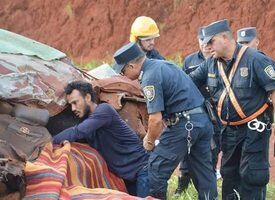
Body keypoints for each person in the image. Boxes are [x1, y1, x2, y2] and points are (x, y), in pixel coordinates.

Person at [190, 19, 275, 199]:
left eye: (211, 42)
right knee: (229, 174)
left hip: (254, 129)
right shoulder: (210, 64)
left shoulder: (255, 59)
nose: (207, 46)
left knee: (252, 174)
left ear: (225, 37)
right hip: (228, 130)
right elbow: (188, 83)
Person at [112, 42, 217, 200]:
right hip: (202, 121)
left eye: (122, 70)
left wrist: (149, 141)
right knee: (203, 172)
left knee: (156, 169)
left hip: (184, 124)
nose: (122, 75)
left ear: (131, 66)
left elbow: (155, 120)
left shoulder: (149, 77)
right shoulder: (163, 64)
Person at [52, 81, 149, 197]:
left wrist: (48, 142)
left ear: (88, 97)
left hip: (144, 172)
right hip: (128, 177)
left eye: (75, 102)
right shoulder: (88, 122)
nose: (73, 108)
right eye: (70, 105)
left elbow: (77, 131)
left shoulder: (104, 110)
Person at [174, 27, 221, 196]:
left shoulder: (220, 59)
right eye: (202, 42)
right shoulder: (190, 60)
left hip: (216, 109)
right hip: (195, 110)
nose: (206, 46)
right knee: (188, 146)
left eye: (209, 42)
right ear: (198, 42)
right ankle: (183, 182)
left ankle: (210, 177)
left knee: (215, 145)